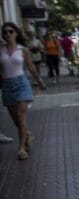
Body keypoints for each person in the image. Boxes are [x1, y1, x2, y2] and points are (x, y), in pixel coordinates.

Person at [1, 22, 46, 160]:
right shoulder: (0, 49)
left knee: (21, 117)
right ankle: (27, 135)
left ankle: (21, 148)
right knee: (16, 121)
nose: (8, 34)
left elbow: (31, 66)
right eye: (5, 32)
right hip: (7, 85)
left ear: (16, 33)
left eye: (11, 31)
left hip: (21, 84)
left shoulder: (23, 50)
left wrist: (39, 81)